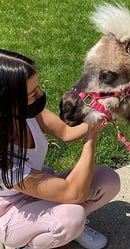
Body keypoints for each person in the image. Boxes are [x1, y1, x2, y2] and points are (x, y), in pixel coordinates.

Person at [0, 49, 121, 249]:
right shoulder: (5, 163)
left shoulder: (25, 112)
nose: (41, 94)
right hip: (10, 211)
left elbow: (65, 132)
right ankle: (30, 243)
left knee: (107, 180)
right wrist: (91, 138)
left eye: (37, 87)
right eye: (32, 93)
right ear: (8, 104)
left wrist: (97, 116)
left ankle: (69, 227)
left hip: (37, 189)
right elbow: (75, 194)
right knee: (71, 217)